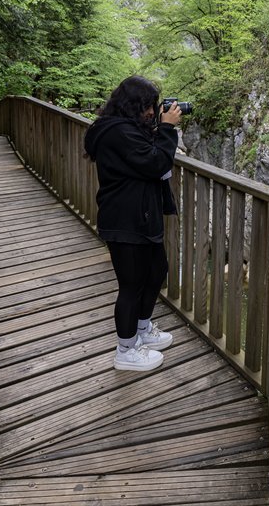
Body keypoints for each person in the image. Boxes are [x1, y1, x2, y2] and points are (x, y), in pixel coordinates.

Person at [84, 75, 183, 372]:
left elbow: (147, 155)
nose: (152, 111)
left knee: (156, 270)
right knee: (130, 285)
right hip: (125, 219)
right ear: (132, 105)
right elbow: (155, 163)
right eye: (147, 106)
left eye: (154, 106)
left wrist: (159, 127)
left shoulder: (126, 129)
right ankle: (125, 350)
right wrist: (167, 128)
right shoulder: (117, 132)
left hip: (140, 216)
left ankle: (141, 329)